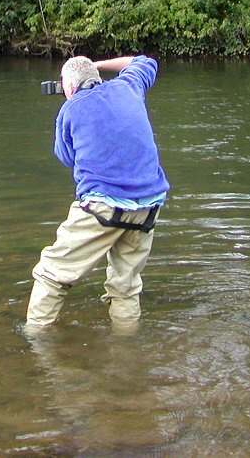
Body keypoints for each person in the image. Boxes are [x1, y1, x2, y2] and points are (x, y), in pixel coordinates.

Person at [26, 55, 170, 329]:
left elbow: (67, 158)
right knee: (125, 287)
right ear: (97, 75)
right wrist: (98, 64)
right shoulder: (129, 85)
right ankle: (124, 350)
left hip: (102, 206)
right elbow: (144, 61)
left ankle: (35, 341)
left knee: (51, 274)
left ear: (67, 87)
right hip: (148, 208)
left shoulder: (70, 110)